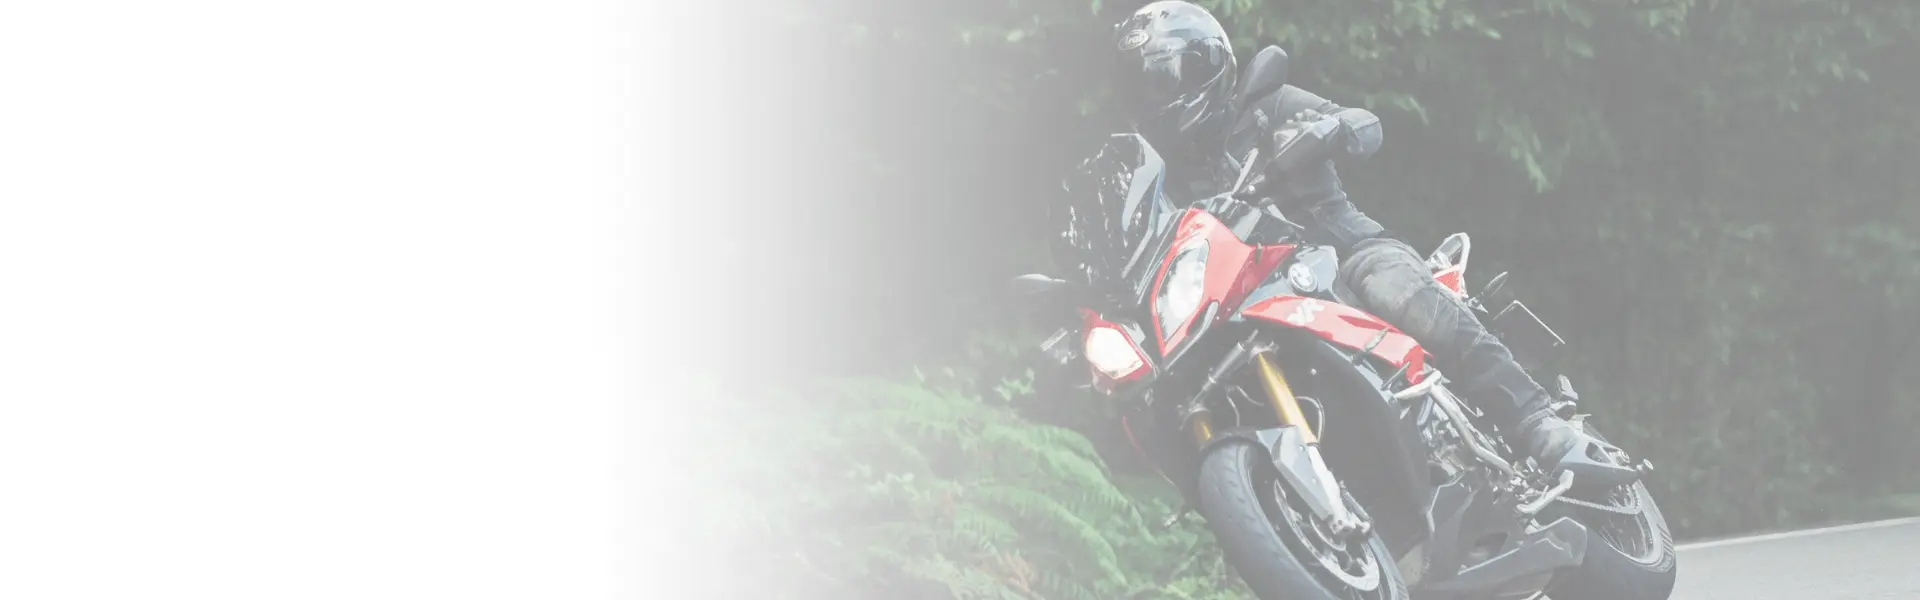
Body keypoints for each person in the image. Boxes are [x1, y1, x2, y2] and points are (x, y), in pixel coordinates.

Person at [1096, 0, 1624, 479]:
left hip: (1351, 255)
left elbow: (1366, 124)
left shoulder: (1266, 104)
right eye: (1145, 85)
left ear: (1209, 65)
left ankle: (1537, 424)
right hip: (1261, 304)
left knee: (1394, 289)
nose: (1159, 95)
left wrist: (1329, 130)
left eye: (1169, 77)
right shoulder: (1168, 179)